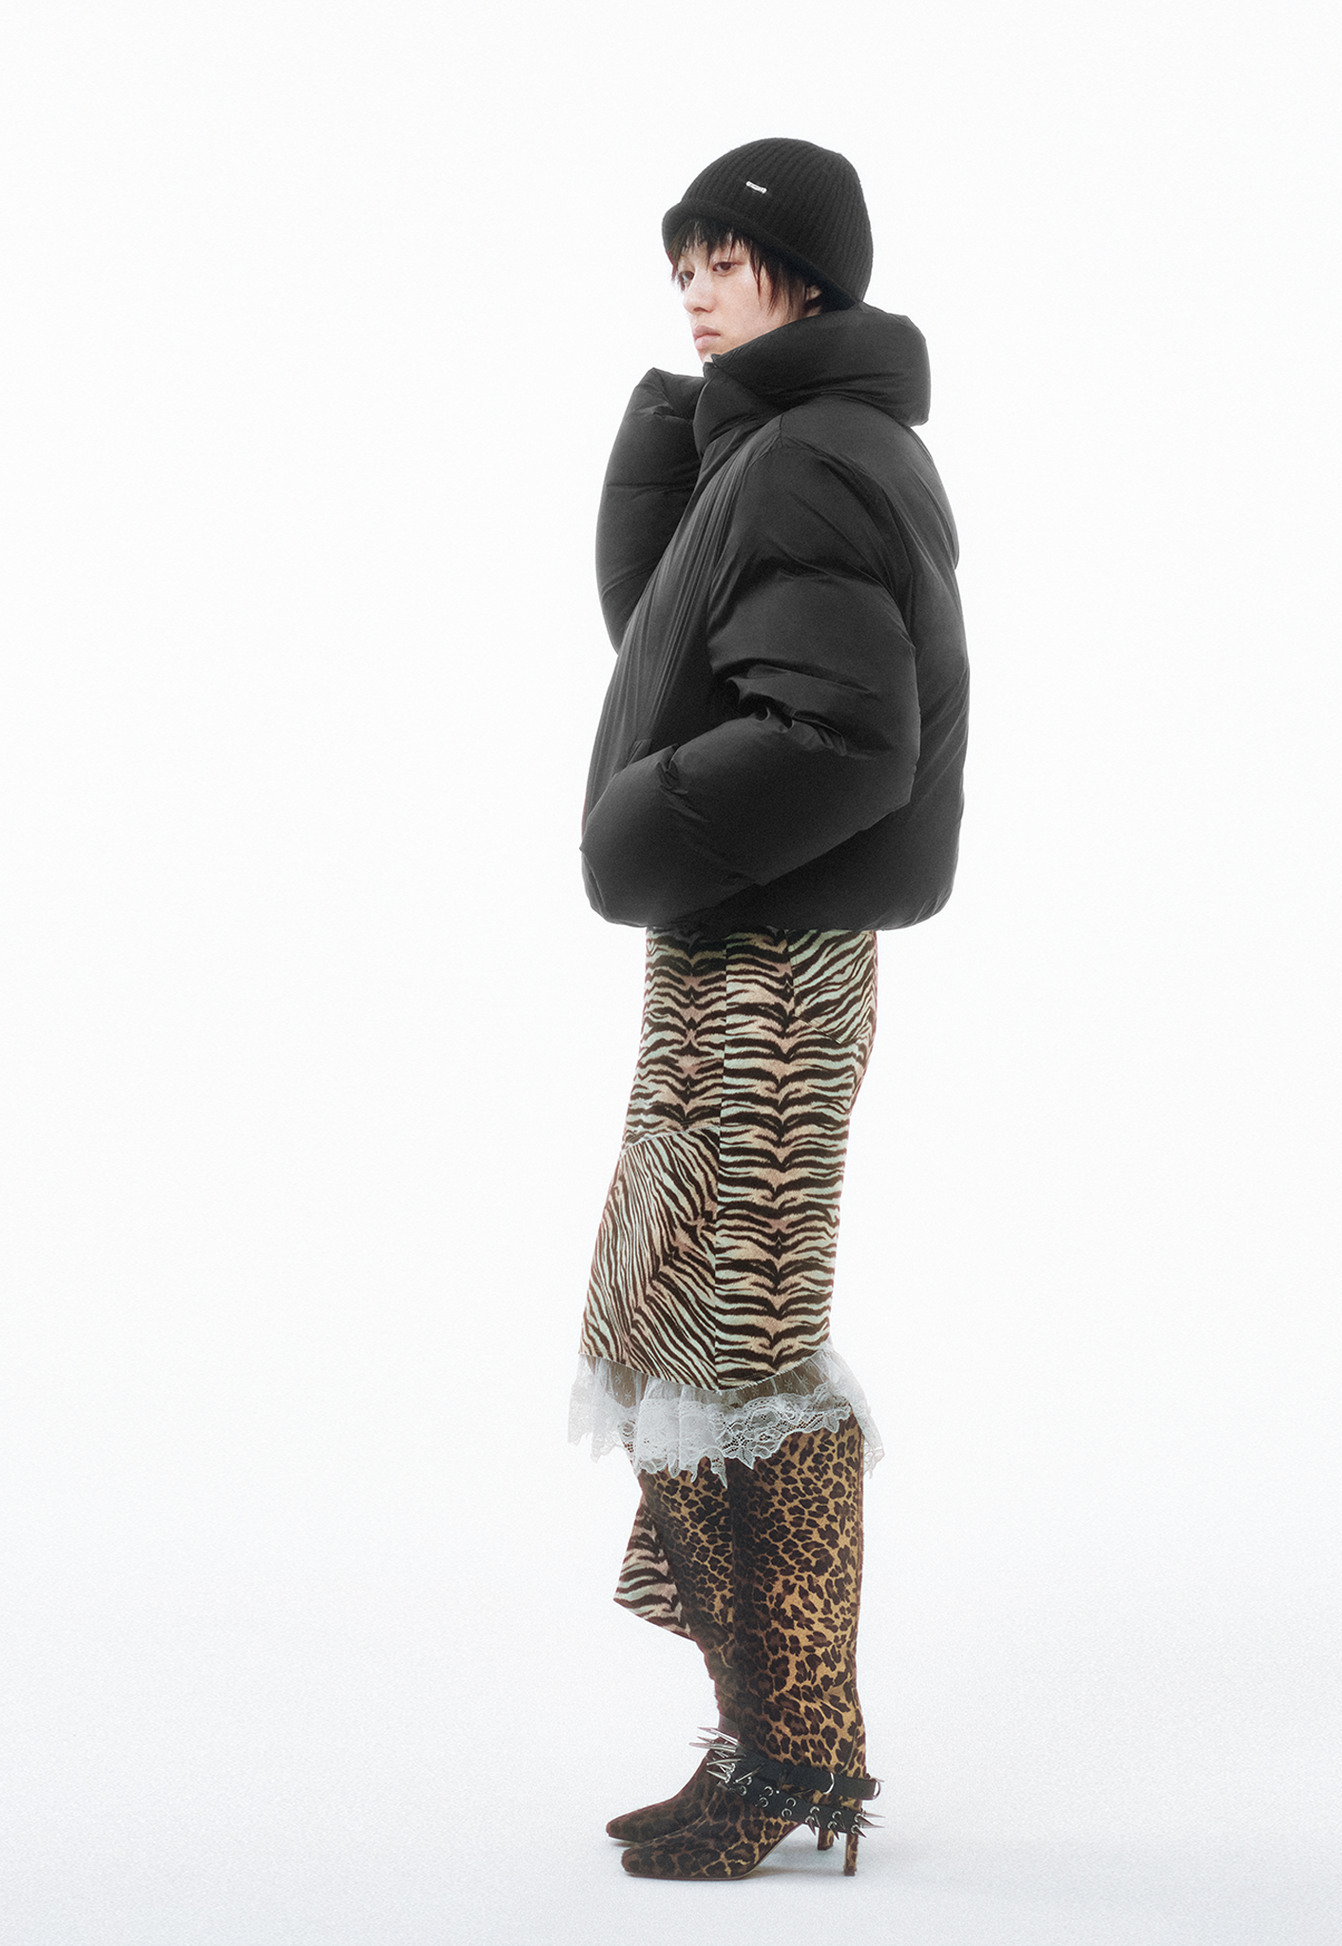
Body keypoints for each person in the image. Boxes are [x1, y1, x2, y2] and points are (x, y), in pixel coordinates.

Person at [567, 136, 969, 1882]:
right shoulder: (778, 450)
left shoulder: (812, 459)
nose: (694, 288)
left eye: (724, 261)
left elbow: (839, 737)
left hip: (776, 963)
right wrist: (679, 436)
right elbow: (680, 653)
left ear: (804, 274)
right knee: (669, 1320)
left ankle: (796, 1749)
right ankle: (764, 1733)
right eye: (681, 264)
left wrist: (635, 833)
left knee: (738, 1345)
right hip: (733, 943)